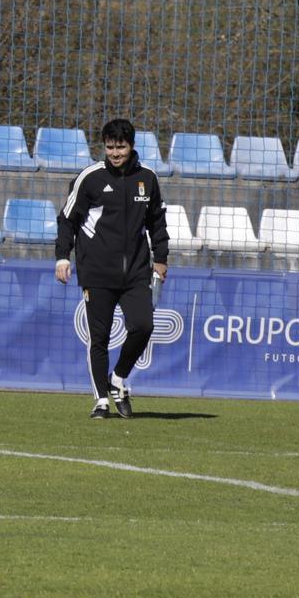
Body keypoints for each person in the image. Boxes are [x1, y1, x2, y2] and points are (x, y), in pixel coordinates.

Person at [55, 117, 169, 419]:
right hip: (97, 272)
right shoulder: (90, 178)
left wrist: (161, 259)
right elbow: (67, 219)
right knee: (99, 338)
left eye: (121, 147)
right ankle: (101, 401)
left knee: (144, 326)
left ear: (131, 146)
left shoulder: (148, 178)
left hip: (136, 272)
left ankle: (118, 379)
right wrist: (62, 257)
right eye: (110, 147)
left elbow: (157, 222)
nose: (115, 153)